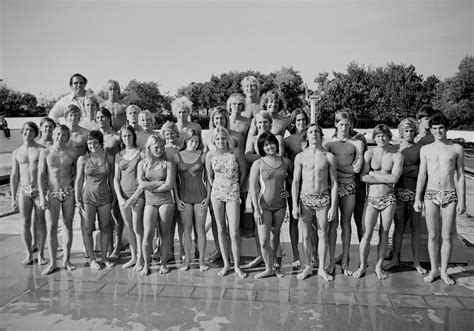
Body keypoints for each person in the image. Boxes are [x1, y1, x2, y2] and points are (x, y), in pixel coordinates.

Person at [414, 113, 466, 285]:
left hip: (450, 195)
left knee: (448, 235)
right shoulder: (426, 149)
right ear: (431, 129)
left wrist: (462, 200)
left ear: (446, 128)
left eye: (441, 128)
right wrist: (417, 198)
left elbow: (461, 176)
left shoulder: (456, 149)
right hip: (431, 194)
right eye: (434, 128)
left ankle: (444, 271)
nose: (438, 131)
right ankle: (434, 269)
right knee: (433, 235)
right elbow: (422, 175)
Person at [353, 124, 403, 280]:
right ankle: (362, 266)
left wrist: (374, 175)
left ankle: (378, 266)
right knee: (366, 234)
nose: (381, 139)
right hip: (372, 199)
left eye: (384, 136)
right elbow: (363, 177)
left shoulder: (397, 156)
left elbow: (395, 179)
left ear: (389, 137)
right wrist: (384, 179)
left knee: (384, 233)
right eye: (378, 136)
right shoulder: (369, 154)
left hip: (389, 199)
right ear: (374, 138)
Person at [291, 124, 338, 281]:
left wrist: (333, 206)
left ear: (321, 135)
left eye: (317, 131)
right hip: (305, 199)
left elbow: (334, 182)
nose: (314, 134)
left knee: (322, 234)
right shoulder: (301, 157)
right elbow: (296, 181)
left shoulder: (328, 157)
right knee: (305, 235)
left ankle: (322, 269)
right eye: (311, 132)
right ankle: (308, 266)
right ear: (307, 136)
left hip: (322, 199)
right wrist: (294, 205)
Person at [383, 119, 427, 274]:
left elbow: (422, 173)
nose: (409, 133)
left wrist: (402, 169)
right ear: (401, 131)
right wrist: (411, 168)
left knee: (416, 228)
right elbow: (390, 173)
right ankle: (395, 258)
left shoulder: (419, 149)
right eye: (406, 130)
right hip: (399, 192)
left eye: (411, 130)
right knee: (398, 228)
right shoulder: (395, 149)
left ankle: (416, 262)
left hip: (415, 193)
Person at [129, 135, 176, 276]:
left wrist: (152, 187)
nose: (160, 149)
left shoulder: (168, 163)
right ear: (149, 148)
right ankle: (146, 264)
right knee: (148, 235)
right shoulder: (142, 164)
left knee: (164, 233)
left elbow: (169, 185)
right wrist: (159, 183)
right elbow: (141, 184)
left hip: (166, 202)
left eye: (162, 146)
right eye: (156, 147)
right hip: (150, 202)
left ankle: (163, 263)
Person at [324, 110, 364, 276]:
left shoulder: (357, 144)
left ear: (351, 125)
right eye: (341, 124)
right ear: (336, 124)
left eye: (347, 125)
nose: (344, 128)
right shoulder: (328, 144)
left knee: (346, 225)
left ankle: (345, 261)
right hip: (332, 187)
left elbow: (357, 169)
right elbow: (325, 166)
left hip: (349, 187)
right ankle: (332, 261)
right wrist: (345, 171)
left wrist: (337, 169)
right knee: (332, 225)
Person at [206, 127, 248, 278]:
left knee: (234, 231)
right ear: (214, 141)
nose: (221, 141)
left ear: (228, 139)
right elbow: (209, 176)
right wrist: (215, 189)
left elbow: (243, 173)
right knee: (221, 230)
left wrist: (238, 190)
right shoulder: (210, 155)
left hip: (233, 193)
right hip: (217, 194)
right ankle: (226, 264)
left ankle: (237, 265)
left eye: (223, 138)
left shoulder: (235, 152)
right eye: (218, 139)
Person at [249, 132, 292, 278]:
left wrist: (290, 192)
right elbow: (253, 188)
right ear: (262, 147)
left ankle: (274, 266)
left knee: (275, 236)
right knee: (264, 241)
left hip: (280, 205)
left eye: (271, 143)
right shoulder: (258, 164)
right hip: (264, 206)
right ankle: (268, 268)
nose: (269, 146)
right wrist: (256, 209)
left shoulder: (284, 161)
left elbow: (294, 180)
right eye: (266, 145)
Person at [38, 125, 76, 274]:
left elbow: (76, 175)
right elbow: (41, 175)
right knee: (52, 228)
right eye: (59, 134)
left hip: (68, 192)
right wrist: (42, 196)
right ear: (54, 134)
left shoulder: (71, 153)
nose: (61, 137)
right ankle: (53, 262)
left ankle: (66, 259)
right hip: (52, 193)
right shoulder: (45, 152)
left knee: (68, 226)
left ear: (68, 137)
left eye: (65, 135)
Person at [75, 130, 116, 270]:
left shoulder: (109, 157)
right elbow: (79, 180)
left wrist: (114, 197)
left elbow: (111, 179)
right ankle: (92, 259)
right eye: (90, 143)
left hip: (105, 197)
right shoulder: (83, 159)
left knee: (105, 227)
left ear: (101, 143)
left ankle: (104, 257)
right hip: (87, 197)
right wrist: (77, 199)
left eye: (95, 143)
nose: (92, 146)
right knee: (87, 228)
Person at [173, 130, 210, 271]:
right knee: (186, 230)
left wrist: (207, 198)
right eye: (191, 141)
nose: (194, 144)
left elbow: (208, 179)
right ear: (185, 140)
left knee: (200, 230)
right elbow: (175, 181)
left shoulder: (203, 156)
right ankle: (187, 260)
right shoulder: (177, 157)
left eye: (196, 141)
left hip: (200, 197)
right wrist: (177, 199)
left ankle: (201, 261)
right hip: (184, 198)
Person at [10, 122, 47, 265]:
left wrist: (46, 192)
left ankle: (42, 253)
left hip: (38, 189)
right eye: (25, 130)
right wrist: (13, 198)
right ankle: (29, 254)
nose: (28, 132)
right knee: (24, 223)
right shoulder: (16, 152)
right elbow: (14, 176)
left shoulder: (42, 150)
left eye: (31, 130)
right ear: (22, 132)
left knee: (40, 222)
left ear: (35, 133)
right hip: (24, 190)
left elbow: (47, 173)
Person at [113, 125, 145, 271]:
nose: (127, 138)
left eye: (129, 135)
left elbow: (145, 177)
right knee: (129, 227)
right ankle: (133, 257)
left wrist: (136, 195)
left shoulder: (142, 152)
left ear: (134, 136)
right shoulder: (118, 155)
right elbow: (116, 178)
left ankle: (141, 258)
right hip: (123, 197)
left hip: (138, 195)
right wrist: (119, 197)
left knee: (138, 227)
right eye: (124, 136)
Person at [96, 108, 122, 259]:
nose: (100, 119)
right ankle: (109, 245)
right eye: (98, 117)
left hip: (114, 178)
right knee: (104, 218)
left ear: (108, 118)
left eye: (103, 117)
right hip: (100, 181)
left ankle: (118, 247)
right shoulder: (94, 137)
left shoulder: (116, 137)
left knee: (116, 215)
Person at [284, 108, 309, 267]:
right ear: (293, 122)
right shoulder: (288, 141)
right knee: (294, 219)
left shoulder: (313, 138)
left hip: (309, 185)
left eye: (303, 120)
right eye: (298, 120)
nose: (301, 123)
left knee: (310, 221)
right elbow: (284, 163)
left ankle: (312, 254)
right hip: (293, 182)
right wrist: (288, 181)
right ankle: (295, 253)